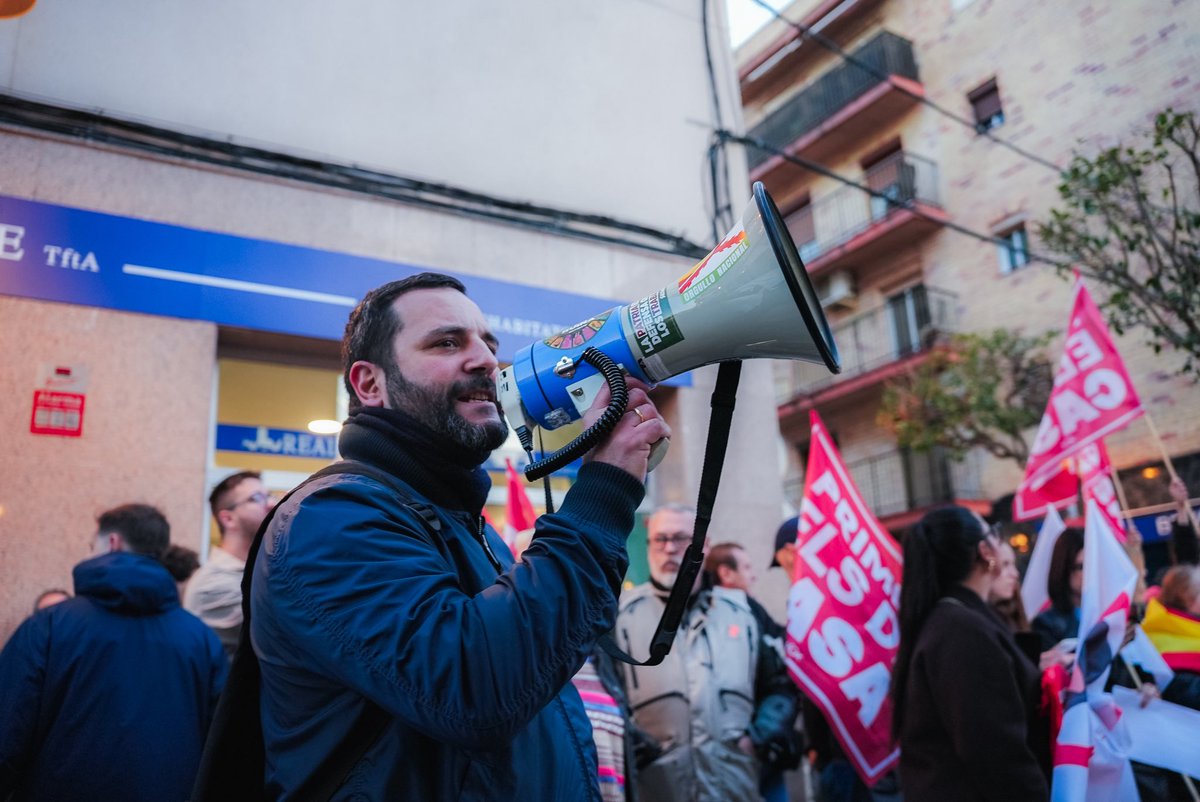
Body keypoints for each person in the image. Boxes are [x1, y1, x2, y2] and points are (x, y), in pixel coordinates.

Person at [250, 272, 668, 800]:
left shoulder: (460, 523)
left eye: (489, 345)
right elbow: (475, 689)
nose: (486, 361)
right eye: (447, 342)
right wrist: (604, 490)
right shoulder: (330, 518)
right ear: (369, 383)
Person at [0, 504, 227, 802]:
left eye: (91, 545)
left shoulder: (49, 626)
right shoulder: (200, 639)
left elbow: (7, 732)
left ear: (113, 543)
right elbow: (223, 745)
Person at [616, 505, 799, 802]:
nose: (669, 549)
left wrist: (759, 737)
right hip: (658, 790)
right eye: (660, 539)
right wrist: (637, 747)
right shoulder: (622, 617)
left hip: (735, 786)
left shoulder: (743, 612)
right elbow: (608, 700)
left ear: (705, 544)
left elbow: (780, 684)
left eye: (680, 538)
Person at [889, 506, 1049, 801]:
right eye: (994, 534)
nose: (1002, 544)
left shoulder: (957, 620)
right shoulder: (960, 630)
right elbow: (996, 752)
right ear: (985, 551)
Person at [705, 541, 801, 802]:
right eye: (747, 567)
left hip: (754, 748)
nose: (753, 575)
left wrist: (758, 737)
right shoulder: (732, 613)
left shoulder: (752, 612)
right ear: (726, 573)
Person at [185, 470, 273, 658]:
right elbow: (285, 627)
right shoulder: (214, 583)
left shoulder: (256, 571)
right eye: (257, 498)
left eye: (269, 496)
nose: (271, 504)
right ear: (228, 518)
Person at [1030, 526, 1085, 651]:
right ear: (1064, 569)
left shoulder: (1106, 616)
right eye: (1081, 567)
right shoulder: (1046, 624)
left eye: (1092, 565)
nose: (1089, 573)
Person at [988, 540, 1030, 633]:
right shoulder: (975, 621)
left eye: (1013, 564)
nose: (1015, 574)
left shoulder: (1014, 616)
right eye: (1005, 564)